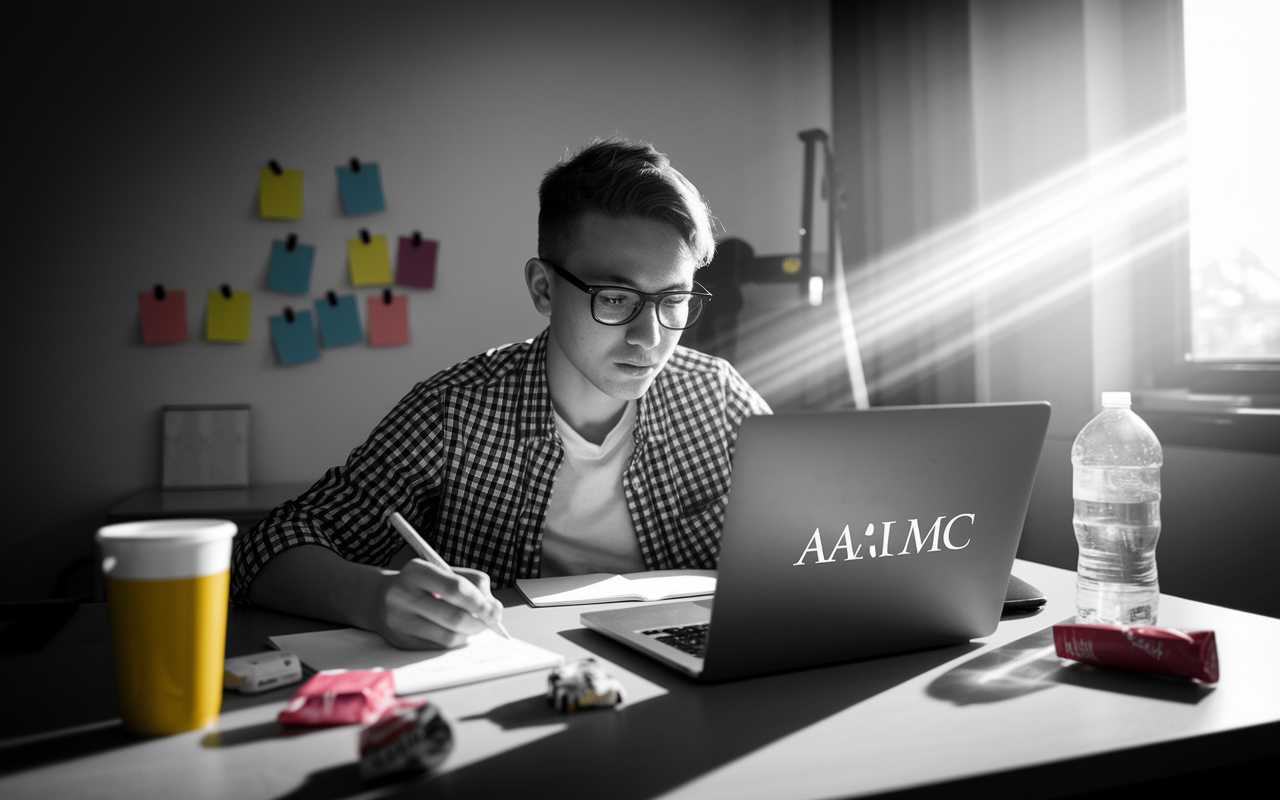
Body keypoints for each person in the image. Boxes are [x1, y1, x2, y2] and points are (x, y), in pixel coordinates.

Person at [231, 138, 771, 649]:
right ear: (543, 288)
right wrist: (374, 597)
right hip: (516, 689)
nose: (650, 338)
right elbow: (264, 547)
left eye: (672, 300)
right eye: (614, 298)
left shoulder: (716, 398)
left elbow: (818, 543)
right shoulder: (456, 409)